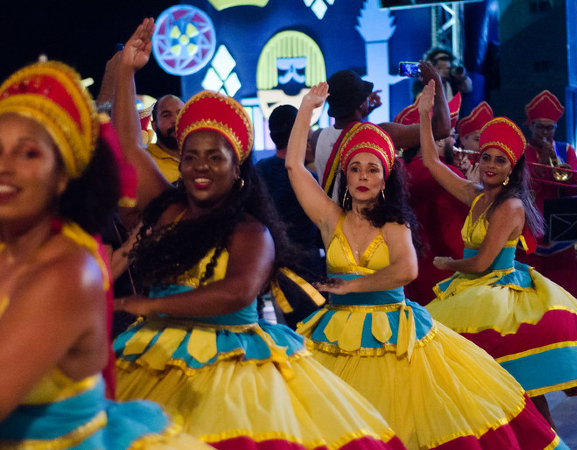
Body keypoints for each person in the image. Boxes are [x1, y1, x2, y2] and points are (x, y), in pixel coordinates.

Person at [110, 19, 403, 450]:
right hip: (157, 355)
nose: (200, 167)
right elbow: (131, 148)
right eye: (191, 157)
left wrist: (141, 304)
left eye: (215, 157)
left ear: (238, 167)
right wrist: (125, 73)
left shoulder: (251, 231)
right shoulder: (167, 209)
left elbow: (236, 293)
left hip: (232, 369)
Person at [287, 81, 567, 450]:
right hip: (335, 332)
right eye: (355, 169)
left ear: (385, 178)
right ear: (346, 176)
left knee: (403, 422)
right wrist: (306, 109)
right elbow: (293, 166)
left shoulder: (393, 223)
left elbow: (407, 271)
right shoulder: (329, 218)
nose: (363, 177)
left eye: (372, 169)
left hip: (392, 332)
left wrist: (349, 285)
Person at [0, 59, 211, 448]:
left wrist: (142, 301)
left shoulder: (68, 271)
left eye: (28, 154)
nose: (5, 167)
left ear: (64, 175)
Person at [420, 95, 577, 430]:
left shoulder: (510, 206)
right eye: (486, 157)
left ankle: (540, 437)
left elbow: (480, 264)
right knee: (498, 377)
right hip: (471, 291)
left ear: (512, 168)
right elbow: (432, 163)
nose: (490, 165)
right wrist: (423, 115)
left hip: (496, 292)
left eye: (500, 161)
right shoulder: (475, 194)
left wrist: (446, 265)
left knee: (517, 380)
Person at [315, 65, 450, 201]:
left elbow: (349, 132)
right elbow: (441, 129)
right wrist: (437, 82)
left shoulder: (319, 136)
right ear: (361, 104)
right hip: (363, 219)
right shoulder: (381, 133)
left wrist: (361, 113)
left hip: (331, 219)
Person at [395, 93, 468, 306]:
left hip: (412, 270)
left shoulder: (400, 170)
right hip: (446, 274)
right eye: (451, 135)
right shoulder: (446, 173)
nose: (454, 142)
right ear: (436, 140)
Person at [256, 104, 325, 325]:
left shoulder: (258, 172)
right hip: (307, 272)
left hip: (272, 270)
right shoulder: (307, 179)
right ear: (300, 132)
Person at [516, 90, 577, 300]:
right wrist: (542, 169)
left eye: (550, 127)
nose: (545, 132)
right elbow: (518, 188)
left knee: (564, 297)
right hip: (528, 233)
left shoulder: (565, 150)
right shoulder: (520, 151)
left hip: (561, 234)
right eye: (540, 127)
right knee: (528, 297)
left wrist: (560, 173)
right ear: (531, 125)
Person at [145, 94, 185, 183]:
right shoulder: (144, 161)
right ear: (154, 126)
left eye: (180, 113)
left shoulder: (199, 158)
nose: (175, 120)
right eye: (166, 115)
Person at [455, 101, 493, 180]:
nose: (482, 145)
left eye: (487, 141)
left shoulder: (492, 167)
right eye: (477, 139)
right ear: (463, 139)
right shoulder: (453, 163)